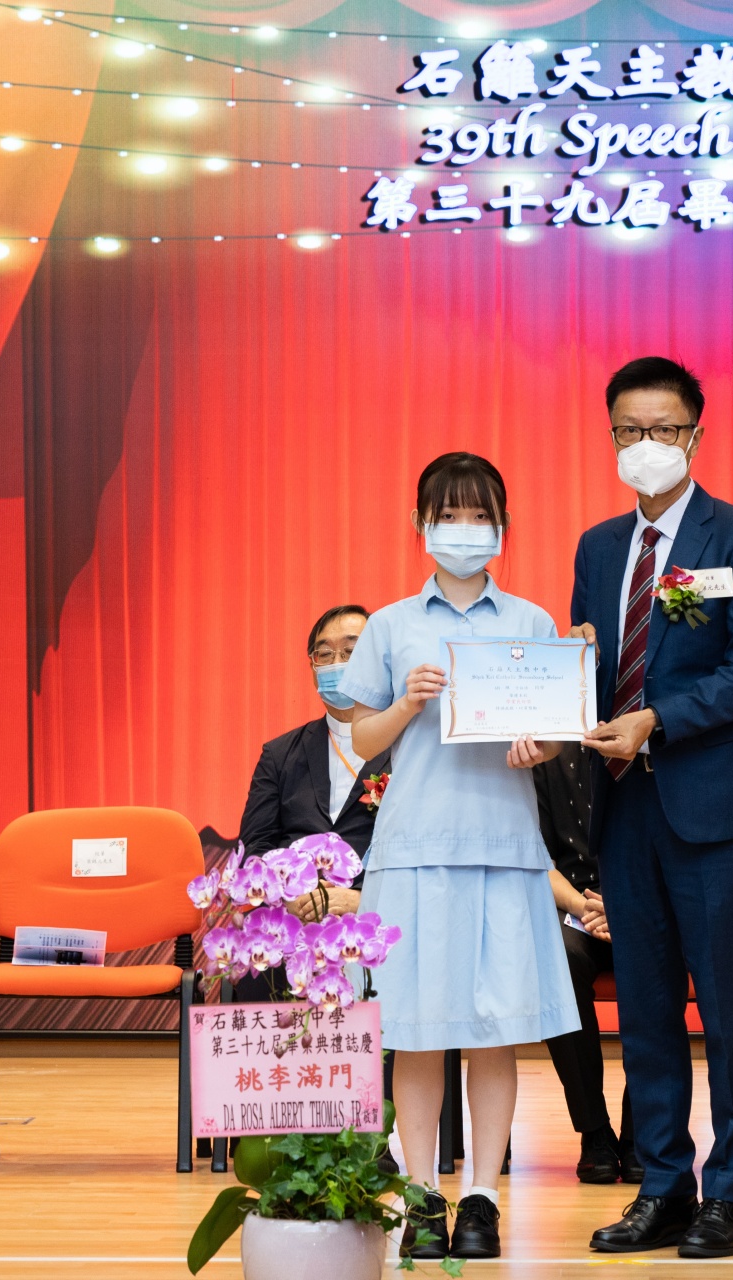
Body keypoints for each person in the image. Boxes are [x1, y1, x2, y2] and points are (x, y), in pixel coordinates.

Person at [569, 356, 733, 1258]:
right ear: (612, 436)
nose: (646, 443)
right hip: (623, 808)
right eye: (630, 430)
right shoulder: (595, 547)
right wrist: (551, 698)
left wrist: (656, 719)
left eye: (663, 428)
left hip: (715, 810)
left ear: (696, 433)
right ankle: (662, 1185)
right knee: (648, 1010)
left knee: (727, 1009)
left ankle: (728, 1194)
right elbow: (586, 665)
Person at [340, 452, 580, 1260]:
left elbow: (553, 735)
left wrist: (540, 746)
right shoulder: (390, 625)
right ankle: (422, 1199)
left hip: (504, 845)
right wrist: (407, 703)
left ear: (504, 526)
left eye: (481, 516)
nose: (466, 530)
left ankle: (482, 1197)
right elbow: (361, 740)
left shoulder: (531, 623)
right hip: (414, 847)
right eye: (450, 515)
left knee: (494, 1031)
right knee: (416, 1031)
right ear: (420, 524)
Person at [231, 604, 389, 999]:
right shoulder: (280, 754)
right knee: (251, 974)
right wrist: (292, 895)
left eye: (351, 651)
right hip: (292, 926)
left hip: (379, 921)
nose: (337, 663)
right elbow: (255, 847)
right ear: (312, 666)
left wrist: (361, 898)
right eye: (325, 654)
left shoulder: (408, 749)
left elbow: (424, 851)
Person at [534, 749, 641, 1184]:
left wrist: (628, 906)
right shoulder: (545, 755)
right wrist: (585, 907)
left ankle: (643, 1131)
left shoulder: (650, 746)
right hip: (576, 906)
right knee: (558, 959)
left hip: (647, 901)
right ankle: (594, 1130)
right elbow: (537, 859)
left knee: (660, 959)